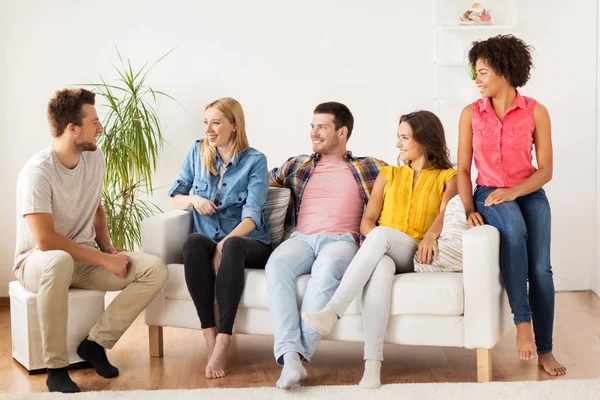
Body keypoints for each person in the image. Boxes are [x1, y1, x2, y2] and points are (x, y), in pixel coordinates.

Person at [14, 88, 168, 393]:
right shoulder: (37, 173)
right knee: (58, 260)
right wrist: (105, 260)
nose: (100, 128)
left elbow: (96, 207)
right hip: (38, 263)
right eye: (94, 122)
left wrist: (107, 245)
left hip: (82, 260)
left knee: (154, 269)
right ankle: (56, 368)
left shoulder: (93, 159)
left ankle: (95, 343)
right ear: (73, 129)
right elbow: (45, 240)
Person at [303, 110, 458, 388]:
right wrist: (376, 244)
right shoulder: (388, 175)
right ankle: (372, 366)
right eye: (398, 137)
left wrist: (432, 235)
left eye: (405, 137)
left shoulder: (449, 176)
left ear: (424, 140)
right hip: (383, 250)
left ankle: (333, 311)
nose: (398, 143)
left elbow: (445, 213)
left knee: (383, 236)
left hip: (414, 252)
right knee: (382, 268)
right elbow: (367, 222)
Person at [456, 34, 566, 376]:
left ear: (504, 71)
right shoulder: (470, 114)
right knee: (514, 231)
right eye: (476, 72)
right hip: (488, 192)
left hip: (529, 191)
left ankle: (545, 349)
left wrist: (515, 192)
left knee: (542, 271)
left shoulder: (536, 111)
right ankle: (523, 323)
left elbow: (545, 170)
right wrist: (468, 208)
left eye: (484, 72)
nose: (478, 80)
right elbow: (462, 169)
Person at [265, 101, 386, 389]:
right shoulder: (298, 164)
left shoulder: (371, 167)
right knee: (276, 265)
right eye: (312, 126)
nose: (314, 133)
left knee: (327, 268)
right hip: (301, 238)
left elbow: (412, 178)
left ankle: (296, 356)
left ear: (342, 132)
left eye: (322, 127)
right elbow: (259, 183)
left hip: (342, 240)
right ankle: (291, 357)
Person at [168, 97, 272, 379]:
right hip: (209, 237)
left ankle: (225, 339)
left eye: (216, 122)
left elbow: (251, 219)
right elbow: (174, 198)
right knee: (193, 242)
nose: (209, 130)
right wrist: (194, 199)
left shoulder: (255, 161)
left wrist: (223, 246)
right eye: (206, 123)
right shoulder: (197, 151)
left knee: (234, 244)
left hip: (249, 243)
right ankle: (210, 335)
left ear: (234, 126)